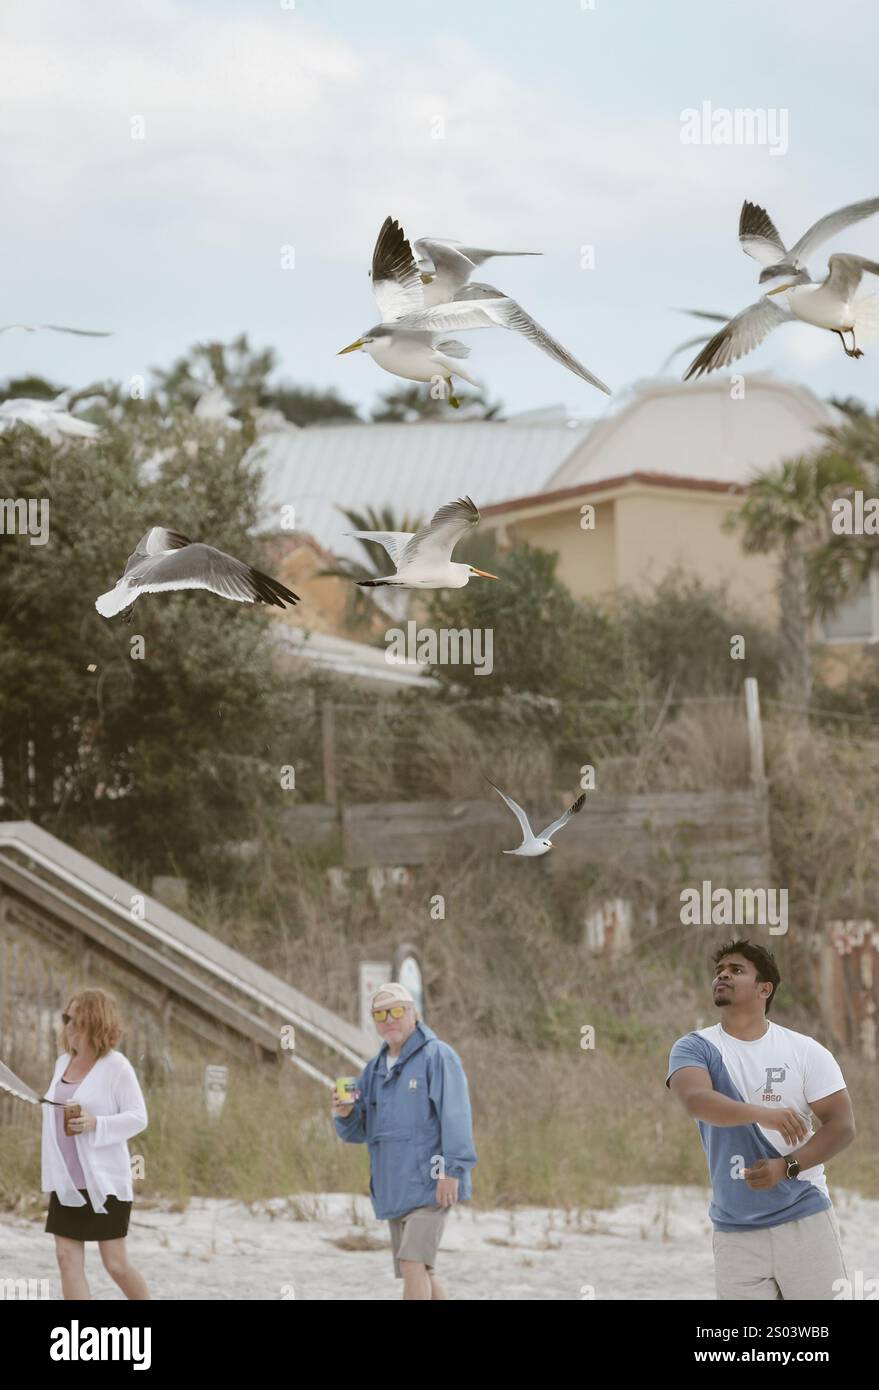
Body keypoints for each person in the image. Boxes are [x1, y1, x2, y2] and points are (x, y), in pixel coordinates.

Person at [666, 938, 855, 1300]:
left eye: (736, 970)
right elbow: (696, 1101)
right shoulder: (694, 1046)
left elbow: (843, 1127)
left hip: (804, 1216)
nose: (722, 975)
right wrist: (761, 1114)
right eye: (719, 971)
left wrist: (787, 1166)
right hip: (734, 1228)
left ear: (764, 989)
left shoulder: (805, 1051)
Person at [332, 983, 477, 1300]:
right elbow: (362, 1132)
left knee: (412, 1262)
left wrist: (451, 1171)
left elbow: (455, 1116)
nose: (389, 1019)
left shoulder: (437, 1056)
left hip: (432, 1182)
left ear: (414, 1013)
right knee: (422, 1268)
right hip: (395, 1186)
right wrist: (345, 1114)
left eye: (397, 1010)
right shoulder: (373, 1070)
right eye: (380, 1014)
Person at [43, 988, 150, 1299]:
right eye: (67, 1018)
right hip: (66, 1181)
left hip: (105, 1181)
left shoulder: (116, 1066)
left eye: (79, 1019)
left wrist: (96, 1123)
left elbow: (138, 1117)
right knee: (66, 1260)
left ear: (97, 1023)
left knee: (115, 1264)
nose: (70, 1025)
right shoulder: (62, 1063)